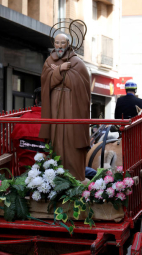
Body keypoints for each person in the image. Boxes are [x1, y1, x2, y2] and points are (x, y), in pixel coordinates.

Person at [39, 33, 90, 181]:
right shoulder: (49, 61)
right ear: (53, 44)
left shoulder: (77, 62)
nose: (59, 46)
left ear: (68, 43)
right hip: (54, 106)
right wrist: (60, 69)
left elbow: (81, 86)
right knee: (55, 140)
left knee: (70, 139)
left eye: (62, 43)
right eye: (57, 43)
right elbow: (45, 81)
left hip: (72, 107)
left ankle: (74, 176)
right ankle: (55, 175)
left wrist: (62, 74)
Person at [11, 88, 46, 173]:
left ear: (36, 101)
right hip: (49, 174)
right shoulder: (55, 121)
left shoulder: (22, 119)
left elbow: (14, 143)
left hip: (23, 173)